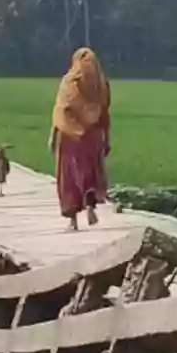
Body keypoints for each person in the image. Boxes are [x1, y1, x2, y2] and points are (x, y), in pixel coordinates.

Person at [50, 47, 111, 231]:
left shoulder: (68, 82)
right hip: (92, 136)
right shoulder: (101, 85)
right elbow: (104, 115)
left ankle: (73, 221)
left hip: (68, 137)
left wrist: (53, 136)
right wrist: (107, 139)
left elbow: (61, 110)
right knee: (90, 173)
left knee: (68, 177)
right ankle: (91, 204)